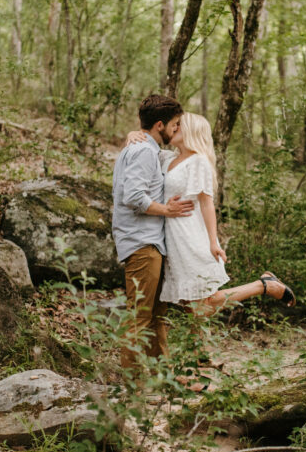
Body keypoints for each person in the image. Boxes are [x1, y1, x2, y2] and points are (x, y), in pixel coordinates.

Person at [126, 112, 295, 318]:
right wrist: (133, 133)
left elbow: (207, 203)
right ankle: (200, 350)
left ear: (192, 131)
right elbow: (147, 146)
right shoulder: (168, 158)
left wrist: (213, 242)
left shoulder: (199, 161)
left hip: (190, 236)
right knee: (191, 306)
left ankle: (263, 285)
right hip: (173, 238)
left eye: (180, 125)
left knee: (201, 307)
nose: (174, 127)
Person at [112, 95, 194, 371]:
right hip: (141, 243)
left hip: (150, 243)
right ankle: (132, 388)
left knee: (156, 315)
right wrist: (166, 210)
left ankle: (162, 380)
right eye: (174, 124)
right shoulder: (143, 151)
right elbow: (133, 196)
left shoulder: (146, 148)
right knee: (139, 315)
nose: (176, 129)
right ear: (160, 125)